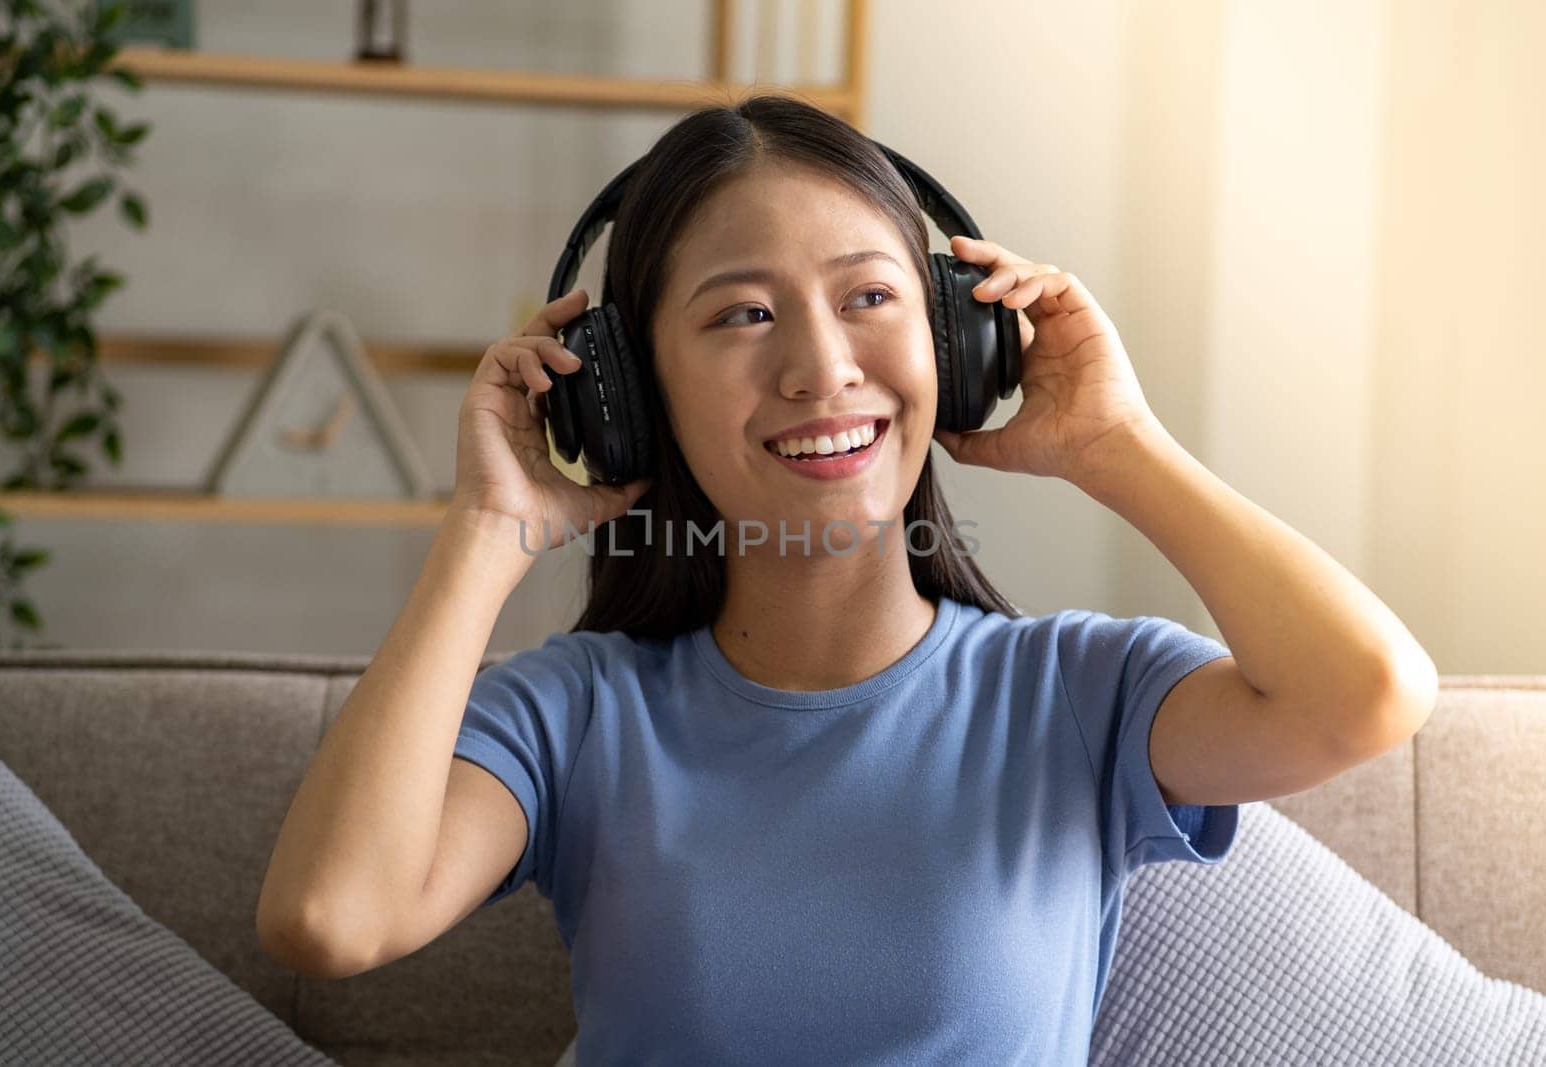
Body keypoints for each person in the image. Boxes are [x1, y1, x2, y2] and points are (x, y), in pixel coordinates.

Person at [257, 94, 1440, 1065]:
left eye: (869, 297)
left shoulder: (1077, 694)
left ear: (956, 346)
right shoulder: (577, 713)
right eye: (743, 315)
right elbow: (328, 918)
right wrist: (487, 527)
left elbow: (1367, 691)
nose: (821, 367)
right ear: (624, 394)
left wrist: (1111, 443)